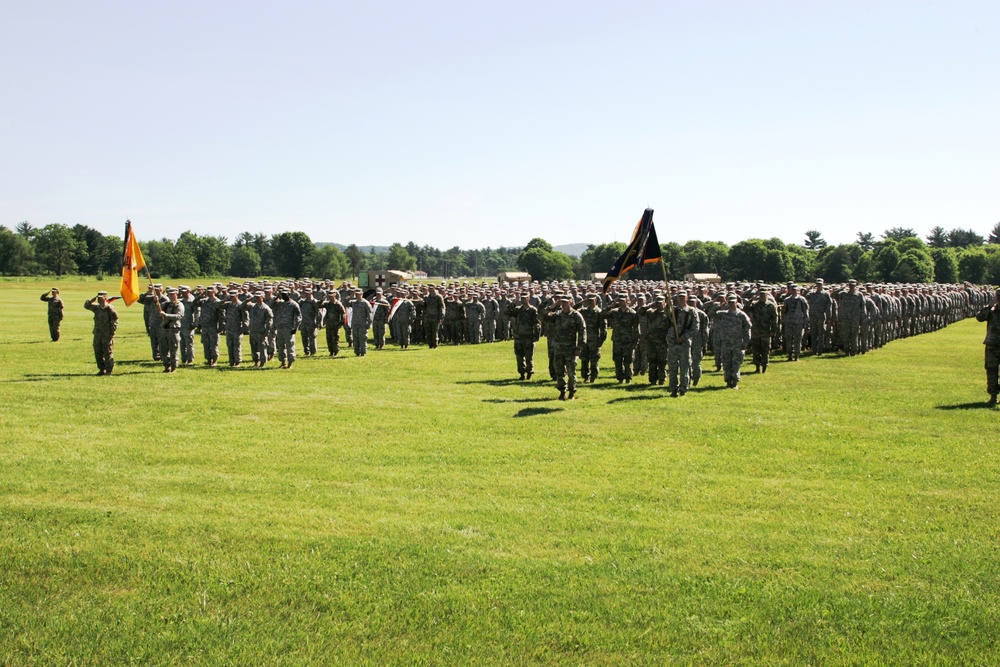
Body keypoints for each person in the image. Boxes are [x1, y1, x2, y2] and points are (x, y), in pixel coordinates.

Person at [547, 295, 587, 400]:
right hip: (559, 348)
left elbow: (582, 332)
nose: (563, 304)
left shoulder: (576, 316)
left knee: (571, 372)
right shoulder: (558, 315)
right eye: (561, 302)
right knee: (559, 372)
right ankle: (562, 391)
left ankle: (572, 392)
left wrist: (579, 347)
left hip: (571, 349)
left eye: (565, 302)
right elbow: (542, 316)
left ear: (570, 302)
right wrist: (552, 306)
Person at [665, 291, 698, 397]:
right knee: (672, 366)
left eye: (683, 297)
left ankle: (683, 387)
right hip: (673, 341)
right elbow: (666, 314)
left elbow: (695, 328)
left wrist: (684, 337)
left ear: (686, 297)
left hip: (684, 343)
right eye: (680, 297)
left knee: (685, 366)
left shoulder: (692, 311)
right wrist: (668, 304)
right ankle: (673, 388)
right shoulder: (674, 310)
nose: (681, 298)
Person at [715, 294, 752, 389]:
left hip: (737, 343)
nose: (731, 304)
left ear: (737, 303)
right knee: (726, 363)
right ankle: (728, 381)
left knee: (736, 363)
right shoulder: (723, 314)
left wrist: (746, 343)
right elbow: (711, 314)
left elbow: (747, 329)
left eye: (733, 302)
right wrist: (720, 305)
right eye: (730, 302)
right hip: (726, 342)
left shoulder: (741, 315)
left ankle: (735, 382)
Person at [506, 292, 540, 380]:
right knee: (519, 357)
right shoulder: (518, 309)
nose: (523, 300)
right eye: (522, 298)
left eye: (525, 298)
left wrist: (536, 336)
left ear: (528, 298)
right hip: (519, 336)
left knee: (529, 357)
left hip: (528, 336)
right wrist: (513, 303)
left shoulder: (533, 310)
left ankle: (529, 373)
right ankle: (522, 373)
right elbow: (507, 312)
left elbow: (537, 324)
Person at [84, 291, 118, 375]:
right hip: (98, 333)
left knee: (107, 352)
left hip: (107, 334)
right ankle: (101, 369)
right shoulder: (96, 307)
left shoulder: (109, 308)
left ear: (105, 298)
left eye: (101, 297)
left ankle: (109, 370)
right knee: (98, 351)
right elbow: (86, 305)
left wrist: (112, 333)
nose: (99, 299)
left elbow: (115, 321)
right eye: (98, 297)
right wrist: (92, 300)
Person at [976, 287, 1000, 406]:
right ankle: (993, 396)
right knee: (991, 370)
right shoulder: (992, 310)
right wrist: (989, 305)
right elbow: (979, 317)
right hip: (992, 345)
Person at [747, 289, 778, 373]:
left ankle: (764, 366)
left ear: (766, 295)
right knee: (756, 350)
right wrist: (751, 299)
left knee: (765, 350)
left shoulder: (770, 306)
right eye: (760, 294)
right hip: (756, 331)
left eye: (763, 294)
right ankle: (757, 367)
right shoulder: (755, 305)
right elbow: (746, 308)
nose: (761, 296)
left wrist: (773, 330)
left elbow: (774, 319)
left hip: (766, 331)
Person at [578, 294, 606, 383]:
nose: (590, 302)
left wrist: (601, 340)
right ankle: (585, 376)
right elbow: (573, 311)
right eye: (589, 300)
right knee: (584, 359)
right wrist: (579, 303)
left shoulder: (599, 312)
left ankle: (593, 377)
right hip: (584, 339)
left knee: (594, 360)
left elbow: (603, 327)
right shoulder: (583, 311)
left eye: (592, 300)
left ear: (596, 300)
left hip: (594, 340)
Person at [246, 291, 274, 368]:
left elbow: (269, 321)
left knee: (262, 348)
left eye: (259, 297)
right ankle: (256, 362)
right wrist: (248, 300)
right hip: (253, 330)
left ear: (263, 298)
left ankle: (262, 363)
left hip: (261, 331)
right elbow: (241, 307)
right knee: (254, 348)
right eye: (256, 297)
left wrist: (267, 331)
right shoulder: (252, 306)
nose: (257, 299)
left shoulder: (266, 308)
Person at [350, 289, 374, 356]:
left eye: (359, 294)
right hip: (355, 323)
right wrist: (351, 296)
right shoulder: (354, 303)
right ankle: (357, 352)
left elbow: (370, 314)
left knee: (362, 338)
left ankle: (363, 352)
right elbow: (345, 303)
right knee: (355, 338)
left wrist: (369, 323)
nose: (357, 296)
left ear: (362, 295)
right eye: (356, 295)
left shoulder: (365, 303)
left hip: (362, 324)